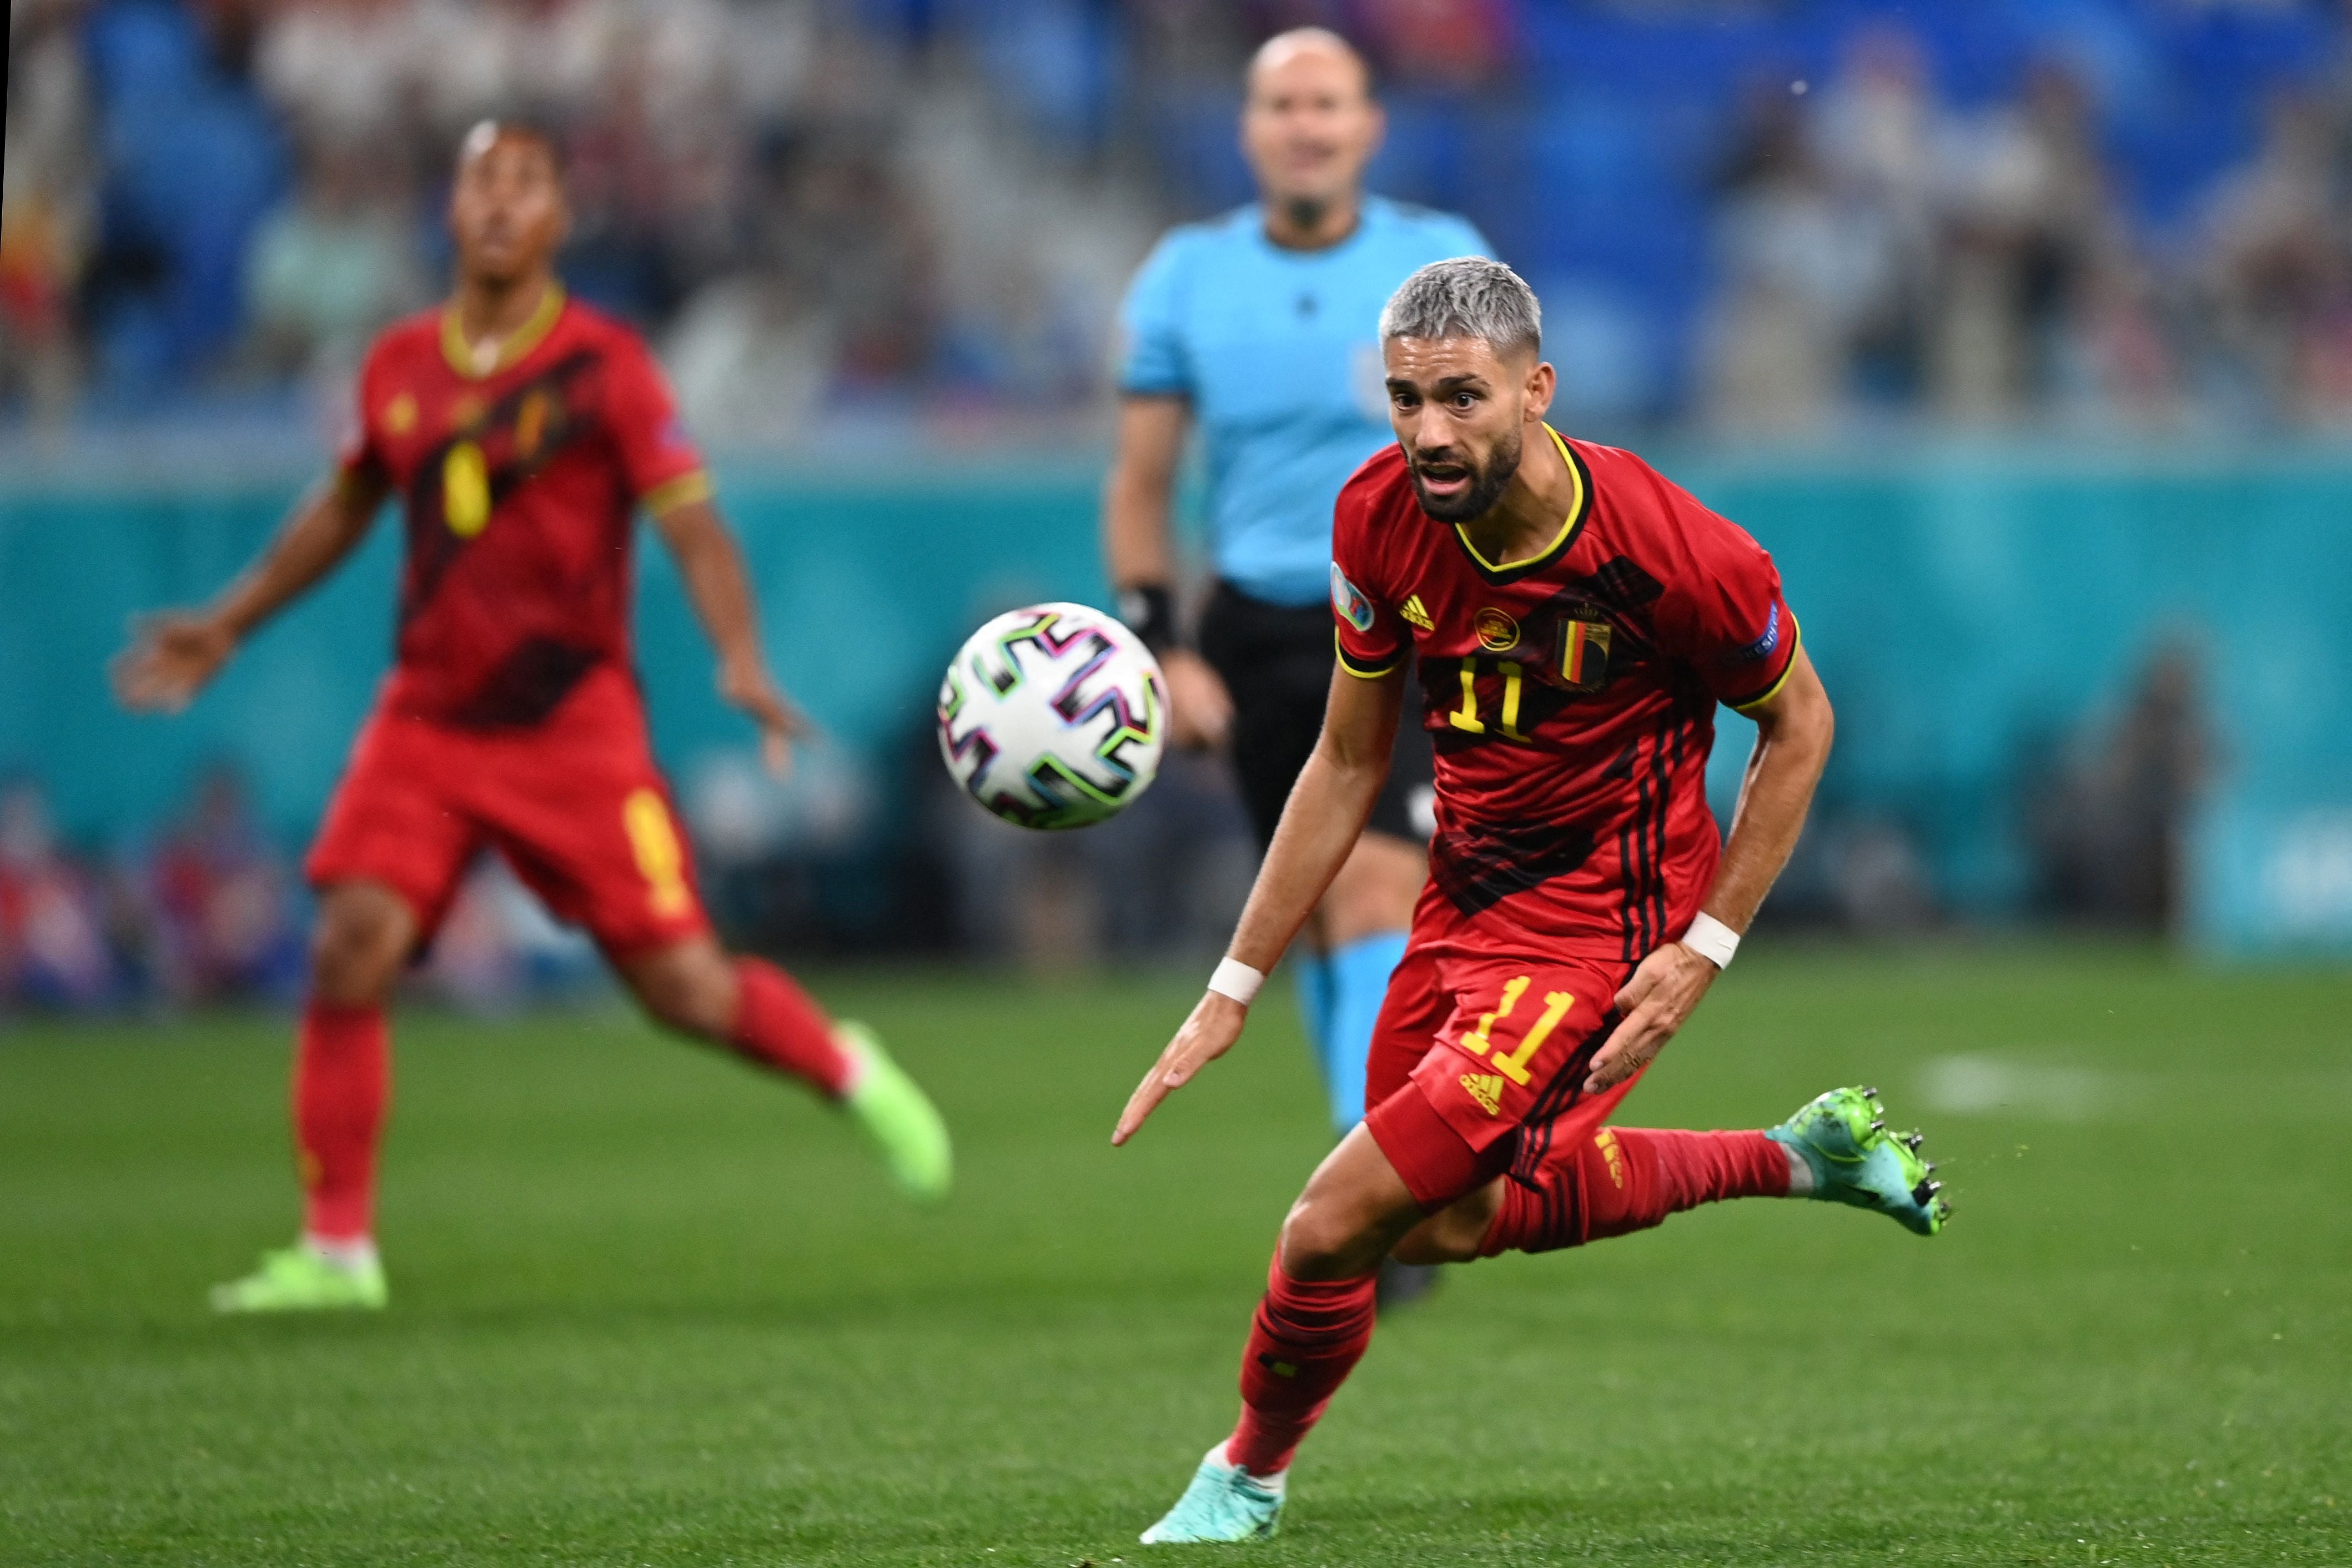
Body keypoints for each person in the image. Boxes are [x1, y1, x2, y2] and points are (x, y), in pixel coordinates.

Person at [1112, 259, 1949, 1544]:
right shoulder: (1378, 518)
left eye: (1461, 397)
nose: (1430, 432)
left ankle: (1244, 1475)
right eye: (1405, 399)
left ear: (1536, 389)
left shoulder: (1671, 549)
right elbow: (1344, 763)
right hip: (1462, 902)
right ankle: (1792, 1157)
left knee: (1331, 1222)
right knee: (1440, 1223)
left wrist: (1702, 949)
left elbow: (1800, 723)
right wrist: (1232, 985)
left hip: (1598, 933)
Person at [113, 121, 952, 1315]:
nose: (501, 205)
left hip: (573, 727)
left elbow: (694, 524)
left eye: (526, 185)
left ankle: (843, 1063)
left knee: (684, 988)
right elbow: (348, 501)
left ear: (561, 215)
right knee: (353, 942)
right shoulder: (398, 363)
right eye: (480, 184)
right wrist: (230, 618)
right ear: (451, 212)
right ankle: (338, 1249)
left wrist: (742, 660)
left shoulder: (605, 366)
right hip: (429, 715)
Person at [1103, 30, 1487, 1287]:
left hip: (1422, 614)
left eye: (1328, 103)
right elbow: (1144, 479)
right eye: (1282, 105)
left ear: (1370, 124)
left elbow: (1514, 442)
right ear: (1250, 129)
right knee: (1322, 903)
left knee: (1376, 886)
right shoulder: (1186, 277)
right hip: (1262, 631)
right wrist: (1161, 640)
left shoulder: (1439, 261)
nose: (1306, 125)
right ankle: (1374, 1172)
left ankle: (1386, 1184)